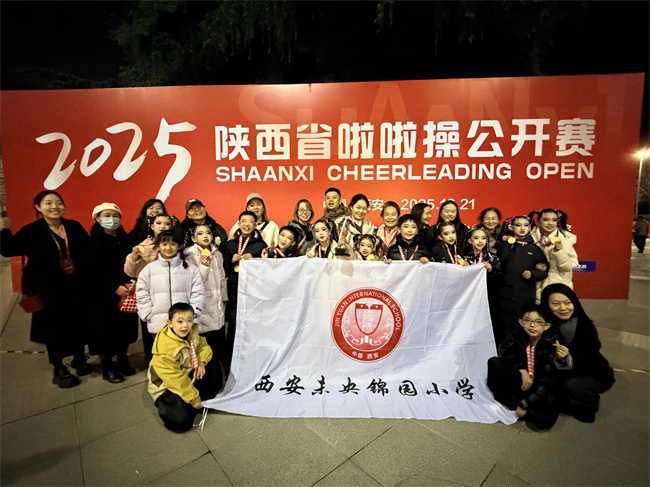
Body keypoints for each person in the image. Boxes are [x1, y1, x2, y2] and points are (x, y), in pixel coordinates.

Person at [0, 191, 92, 388]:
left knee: (78, 322)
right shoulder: (31, 231)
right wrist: (4, 230)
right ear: (38, 207)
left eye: (58, 202)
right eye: (48, 203)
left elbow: (89, 250)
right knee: (54, 329)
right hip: (48, 289)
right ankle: (59, 368)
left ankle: (79, 357)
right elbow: (8, 250)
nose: (54, 207)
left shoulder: (73, 226)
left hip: (75, 286)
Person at [540, 284, 615, 423]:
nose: (563, 308)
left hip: (590, 371)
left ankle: (589, 404)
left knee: (571, 385)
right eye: (555, 304)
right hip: (560, 369)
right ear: (547, 305)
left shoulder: (584, 326)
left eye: (567, 302)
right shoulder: (544, 324)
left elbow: (588, 359)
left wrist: (566, 358)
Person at [487, 303, 569, 429]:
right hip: (523, 380)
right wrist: (521, 369)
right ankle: (516, 403)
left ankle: (524, 405)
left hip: (541, 387)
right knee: (495, 362)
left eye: (538, 322)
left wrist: (526, 402)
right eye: (528, 320)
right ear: (521, 322)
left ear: (546, 326)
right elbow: (505, 351)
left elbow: (547, 379)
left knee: (543, 421)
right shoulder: (518, 335)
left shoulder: (553, 343)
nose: (532, 325)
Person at [148, 303, 222, 432]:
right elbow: (175, 379)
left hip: (189, 373)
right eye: (180, 321)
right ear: (169, 323)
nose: (185, 325)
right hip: (167, 387)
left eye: (189, 320)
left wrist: (202, 362)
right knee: (181, 422)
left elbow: (204, 347)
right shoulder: (164, 349)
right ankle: (189, 403)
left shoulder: (192, 331)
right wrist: (194, 398)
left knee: (213, 360)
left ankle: (201, 400)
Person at [88, 202, 138, 383]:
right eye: (107, 215)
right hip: (103, 295)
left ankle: (123, 359)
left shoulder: (126, 239)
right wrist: (113, 287)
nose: (112, 219)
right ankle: (107, 366)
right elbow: (91, 270)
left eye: (115, 215)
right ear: (97, 218)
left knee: (125, 328)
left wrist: (132, 282)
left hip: (127, 291)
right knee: (105, 330)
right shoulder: (92, 242)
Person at [135, 229, 205, 339]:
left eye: (173, 244)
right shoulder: (148, 270)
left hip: (185, 325)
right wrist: (148, 314)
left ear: (179, 246)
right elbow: (142, 295)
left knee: (185, 350)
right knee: (162, 350)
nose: (168, 248)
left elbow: (198, 293)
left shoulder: (191, 269)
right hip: (158, 324)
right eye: (164, 244)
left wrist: (193, 314)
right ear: (158, 246)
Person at [124, 213, 175, 363]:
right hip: (152, 297)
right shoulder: (143, 246)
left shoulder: (177, 244)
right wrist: (134, 258)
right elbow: (131, 272)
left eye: (167, 224)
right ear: (152, 226)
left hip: (172, 295)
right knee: (151, 335)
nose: (163, 226)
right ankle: (152, 365)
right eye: (159, 223)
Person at [222, 211, 267, 373]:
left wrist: (255, 259)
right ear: (239, 223)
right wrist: (231, 260)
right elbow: (224, 269)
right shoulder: (229, 245)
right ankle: (229, 365)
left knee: (252, 329)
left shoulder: (261, 245)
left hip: (254, 293)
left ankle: (252, 365)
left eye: (250, 222)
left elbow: (267, 270)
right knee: (234, 328)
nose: (247, 225)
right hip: (234, 293)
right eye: (243, 221)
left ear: (255, 225)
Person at [498, 216, 549, 344]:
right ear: (511, 227)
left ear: (530, 228)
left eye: (526, 225)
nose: (522, 228)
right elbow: (499, 263)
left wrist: (533, 274)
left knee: (523, 330)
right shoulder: (504, 245)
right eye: (518, 225)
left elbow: (543, 271)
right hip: (504, 296)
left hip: (525, 295)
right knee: (503, 329)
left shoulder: (534, 249)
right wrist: (507, 244)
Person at [183, 224, 227, 361]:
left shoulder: (217, 254)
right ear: (193, 238)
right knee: (205, 342)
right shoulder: (190, 255)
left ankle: (219, 369)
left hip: (217, 302)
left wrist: (224, 298)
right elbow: (194, 282)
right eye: (200, 233)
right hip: (203, 303)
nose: (205, 236)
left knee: (219, 341)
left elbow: (222, 278)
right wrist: (203, 265)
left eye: (208, 233)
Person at [529, 209, 579, 302]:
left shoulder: (565, 240)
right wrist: (534, 267)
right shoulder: (529, 239)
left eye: (554, 220)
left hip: (559, 287)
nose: (550, 223)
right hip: (534, 287)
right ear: (539, 221)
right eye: (546, 220)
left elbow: (568, 267)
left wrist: (559, 252)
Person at [463, 225, 502, 340]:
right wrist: (462, 269)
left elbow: (500, 279)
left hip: (487, 299)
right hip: (467, 299)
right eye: (476, 238)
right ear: (470, 240)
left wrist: (491, 270)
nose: (480, 241)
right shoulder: (462, 258)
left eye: (483, 238)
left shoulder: (492, 258)